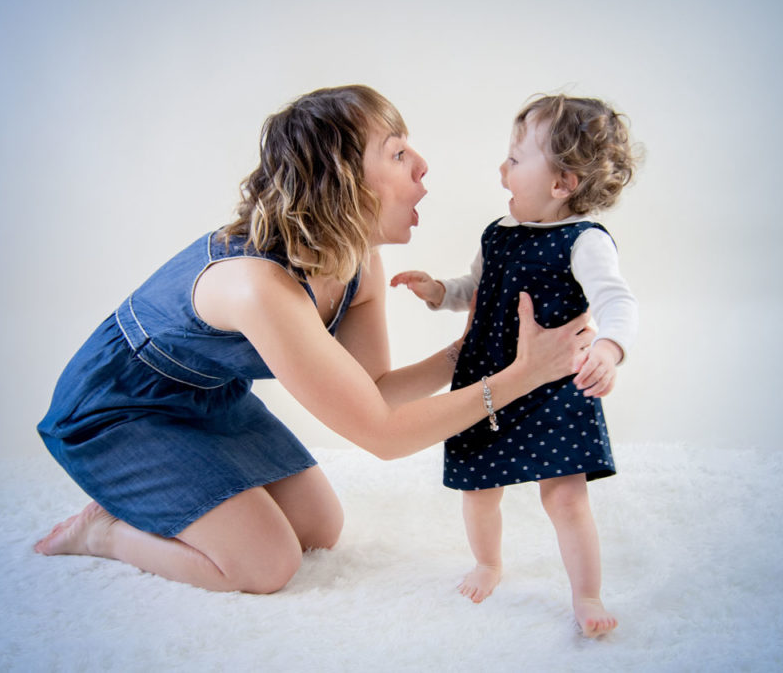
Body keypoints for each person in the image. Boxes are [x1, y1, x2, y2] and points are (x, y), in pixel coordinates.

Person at [34, 85, 594, 595]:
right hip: (119, 412)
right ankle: (103, 533)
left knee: (320, 529)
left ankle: (161, 505)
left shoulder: (359, 258)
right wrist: (524, 375)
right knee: (265, 565)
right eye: (398, 154)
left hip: (211, 398)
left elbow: (374, 390)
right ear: (343, 179)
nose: (422, 166)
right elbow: (382, 434)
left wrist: (462, 352)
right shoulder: (258, 287)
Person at [391, 94, 638, 637]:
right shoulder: (497, 233)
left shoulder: (585, 242)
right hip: (487, 380)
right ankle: (488, 561)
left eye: (516, 159)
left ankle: (588, 594)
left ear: (562, 183)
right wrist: (438, 291)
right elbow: (473, 289)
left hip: (554, 388)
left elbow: (618, 302)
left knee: (567, 497)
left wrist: (608, 349)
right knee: (478, 488)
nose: (502, 169)